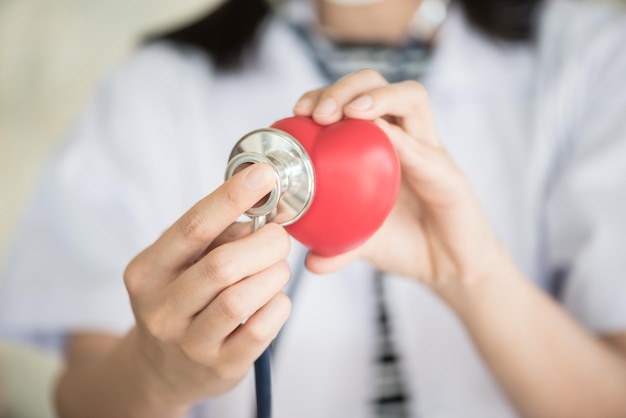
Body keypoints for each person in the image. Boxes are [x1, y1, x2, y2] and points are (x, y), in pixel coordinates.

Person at [1, 0, 625, 416]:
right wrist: (160, 376)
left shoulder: (594, 57)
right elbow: (81, 400)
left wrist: (474, 274)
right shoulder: (157, 84)